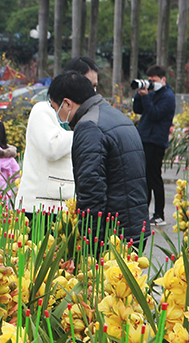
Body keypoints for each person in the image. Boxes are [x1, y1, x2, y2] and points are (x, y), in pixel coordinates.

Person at [50, 72, 147, 245]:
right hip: (135, 226)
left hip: (113, 235)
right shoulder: (117, 117)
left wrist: (91, 242)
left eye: (55, 108)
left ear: (67, 103)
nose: (56, 114)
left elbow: (91, 190)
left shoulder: (89, 127)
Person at [16, 58, 99, 221]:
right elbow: (52, 147)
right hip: (39, 207)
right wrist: (86, 133)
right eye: (90, 84)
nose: (92, 91)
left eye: (95, 85)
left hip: (67, 206)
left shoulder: (85, 115)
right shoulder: (42, 110)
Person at [133, 64, 175, 226]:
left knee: (154, 178)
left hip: (156, 141)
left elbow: (155, 114)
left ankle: (159, 214)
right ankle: (144, 211)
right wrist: (140, 94)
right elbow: (138, 110)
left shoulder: (168, 96)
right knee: (144, 178)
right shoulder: (152, 93)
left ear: (163, 79)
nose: (150, 83)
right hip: (144, 138)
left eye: (153, 80)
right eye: (148, 80)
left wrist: (146, 97)